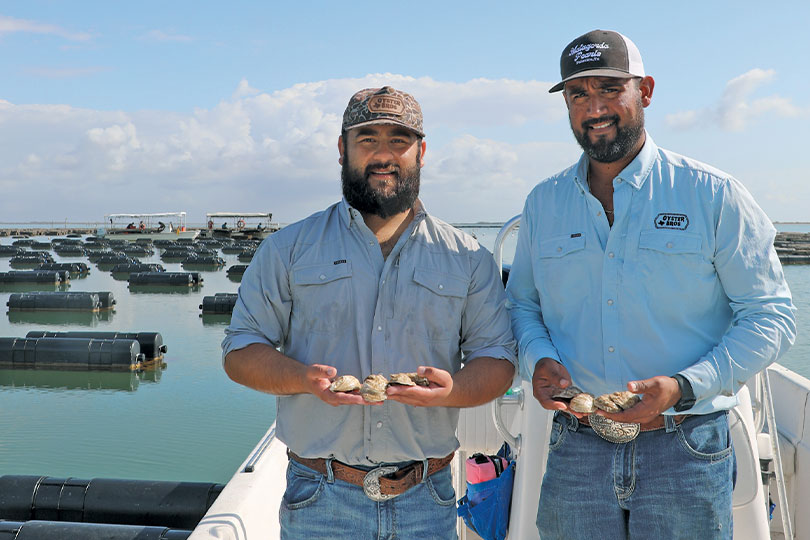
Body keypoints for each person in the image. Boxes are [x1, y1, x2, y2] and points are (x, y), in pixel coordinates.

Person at [506, 30, 796, 539]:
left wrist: (684, 386)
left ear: (646, 91)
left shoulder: (714, 194)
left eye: (609, 89)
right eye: (578, 94)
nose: (594, 108)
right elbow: (523, 305)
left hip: (685, 445)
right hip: (577, 445)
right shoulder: (542, 203)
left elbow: (771, 315)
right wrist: (538, 358)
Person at [222, 86, 516, 539]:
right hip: (320, 501)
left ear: (421, 153)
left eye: (399, 140)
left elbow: (498, 360)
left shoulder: (469, 258)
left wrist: (452, 390)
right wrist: (303, 379)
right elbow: (240, 351)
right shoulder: (287, 249)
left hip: (427, 501)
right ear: (342, 150)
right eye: (367, 139)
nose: (383, 155)